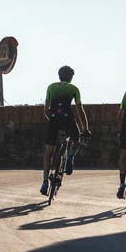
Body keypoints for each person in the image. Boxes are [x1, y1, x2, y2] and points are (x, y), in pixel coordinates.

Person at [41, 65, 90, 195]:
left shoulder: (51, 87)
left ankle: (45, 182)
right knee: (76, 138)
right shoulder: (74, 89)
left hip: (53, 117)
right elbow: (80, 110)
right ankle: (70, 158)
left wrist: (51, 120)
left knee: (48, 152)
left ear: (59, 75)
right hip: (68, 117)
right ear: (71, 77)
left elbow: (45, 109)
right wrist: (85, 129)